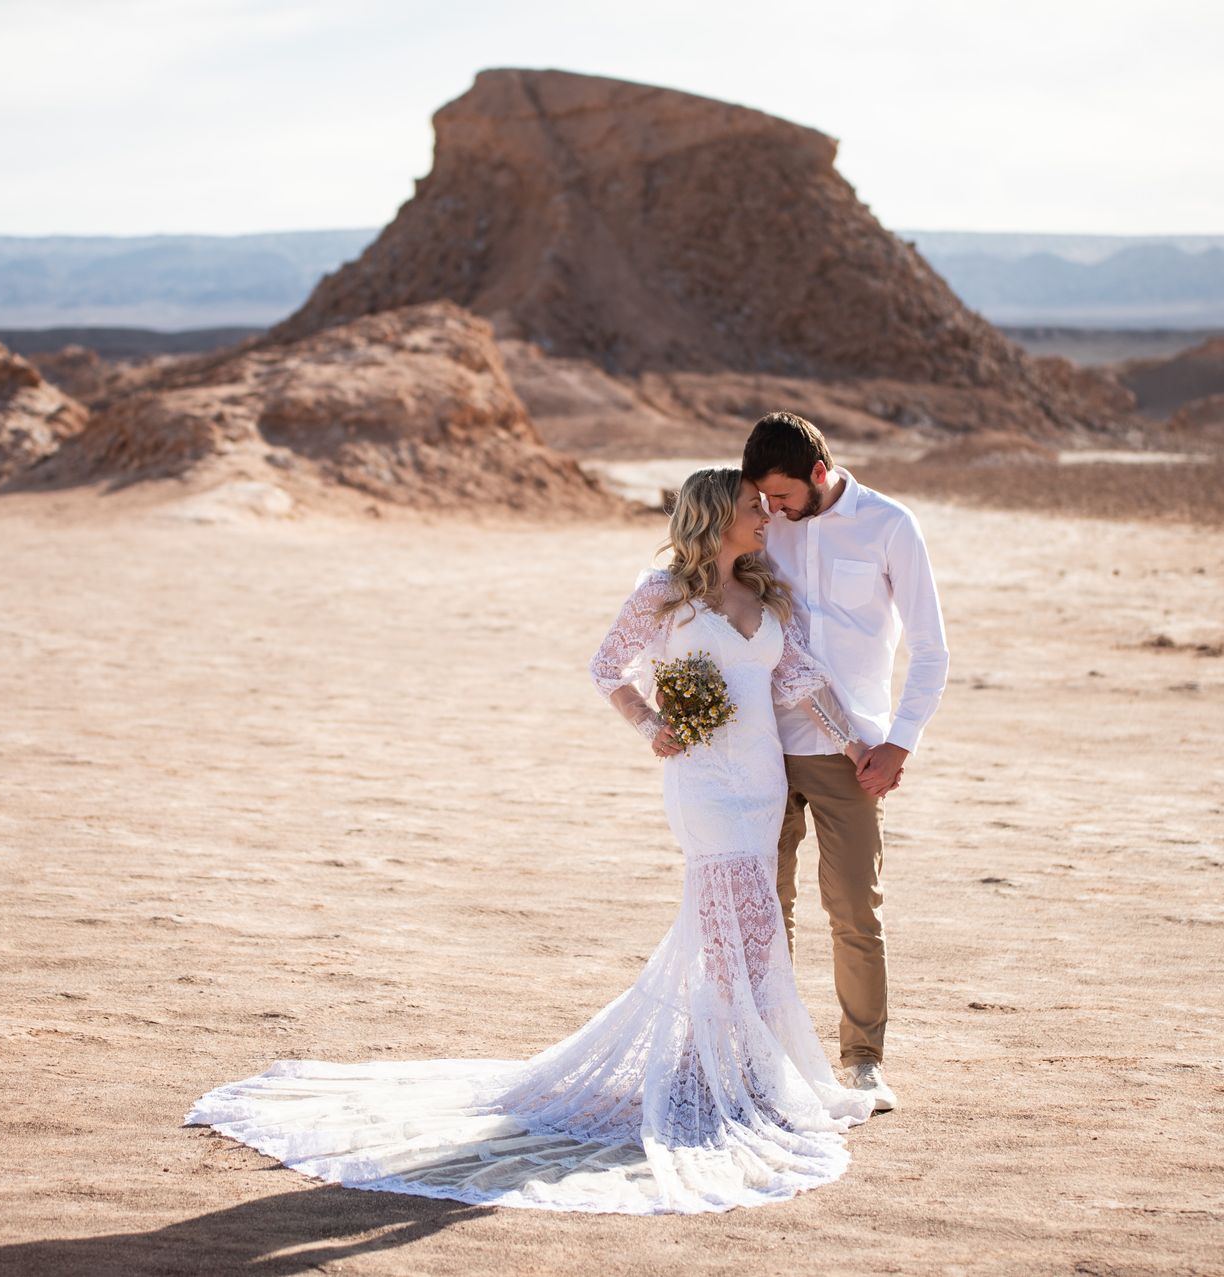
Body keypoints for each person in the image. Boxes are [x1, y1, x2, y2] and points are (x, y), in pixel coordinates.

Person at [185, 467, 876, 1214]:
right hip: (705, 784)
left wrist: (855, 746)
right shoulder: (662, 594)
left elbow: (799, 678)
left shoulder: (765, 588)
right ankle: (715, 1081)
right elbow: (606, 666)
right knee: (725, 918)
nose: (765, 516)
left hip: (761, 780)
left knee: (756, 923)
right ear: (716, 516)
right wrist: (654, 727)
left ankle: (744, 1073)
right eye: (751, 507)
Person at [743, 411, 951, 1114]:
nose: (772, 510)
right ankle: (767, 1053)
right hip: (760, 747)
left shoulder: (890, 525)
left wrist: (901, 739)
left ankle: (862, 1060)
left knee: (855, 908)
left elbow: (931, 647)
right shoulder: (764, 523)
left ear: (820, 474)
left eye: (783, 495)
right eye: (763, 497)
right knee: (765, 907)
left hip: (852, 752)